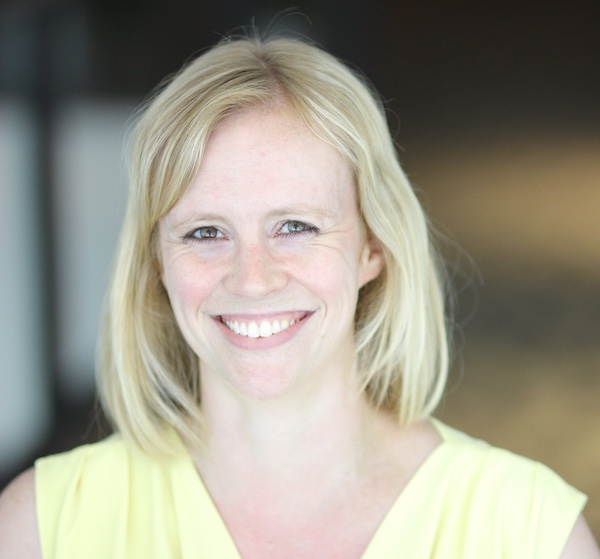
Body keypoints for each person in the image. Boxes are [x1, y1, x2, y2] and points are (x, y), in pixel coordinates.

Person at [0, 34, 598, 559]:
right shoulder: (40, 529)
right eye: (206, 233)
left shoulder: (529, 533)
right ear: (157, 263)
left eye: (296, 227)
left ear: (372, 247)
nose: (252, 278)